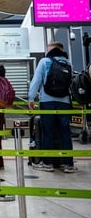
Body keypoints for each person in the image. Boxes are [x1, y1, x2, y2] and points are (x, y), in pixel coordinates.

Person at [28, 41, 77, 173]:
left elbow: (36, 80)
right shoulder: (68, 63)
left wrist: (31, 98)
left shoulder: (45, 61)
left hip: (47, 101)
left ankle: (47, 163)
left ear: (52, 49)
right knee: (65, 132)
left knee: (47, 132)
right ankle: (68, 164)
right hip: (65, 101)